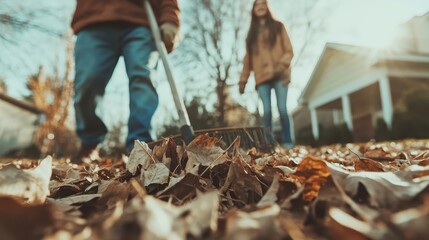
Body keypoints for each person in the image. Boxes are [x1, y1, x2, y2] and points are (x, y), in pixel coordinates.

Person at [71, 0, 180, 161]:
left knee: (143, 79)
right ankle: (89, 143)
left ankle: (140, 146)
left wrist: (171, 18)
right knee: (88, 81)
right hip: (93, 19)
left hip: (142, 22)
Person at [239, 0, 294, 148]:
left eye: (263, 3)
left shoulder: (278, 26)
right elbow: (247, 61)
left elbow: (288, 50)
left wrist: (282, 65)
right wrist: (243, 81)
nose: (260, 6)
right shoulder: (251, 35)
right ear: (253, 10)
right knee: (267, 111)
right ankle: (268, 143)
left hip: (280, 75)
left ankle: (288, 142)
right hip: (262, 78)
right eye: (257, 5)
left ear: (267, 7)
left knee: (282, 109)